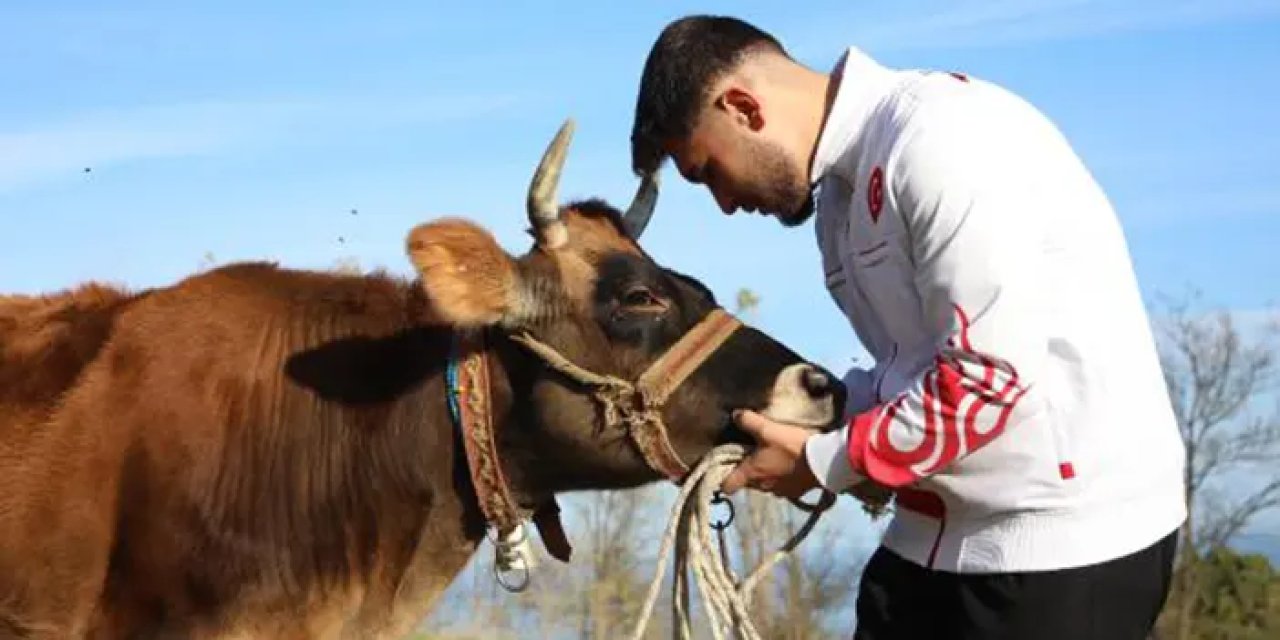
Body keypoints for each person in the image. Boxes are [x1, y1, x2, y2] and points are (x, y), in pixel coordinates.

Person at [628, 15, 1187, 640]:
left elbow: (987, 381)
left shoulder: (941, 140)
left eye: (707, 172)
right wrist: (792, 416)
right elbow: (912, 368)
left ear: (742, 108)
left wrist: (819, 463)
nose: (725, 204)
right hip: (932, 537)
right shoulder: (836, 203)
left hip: (1059, 550)